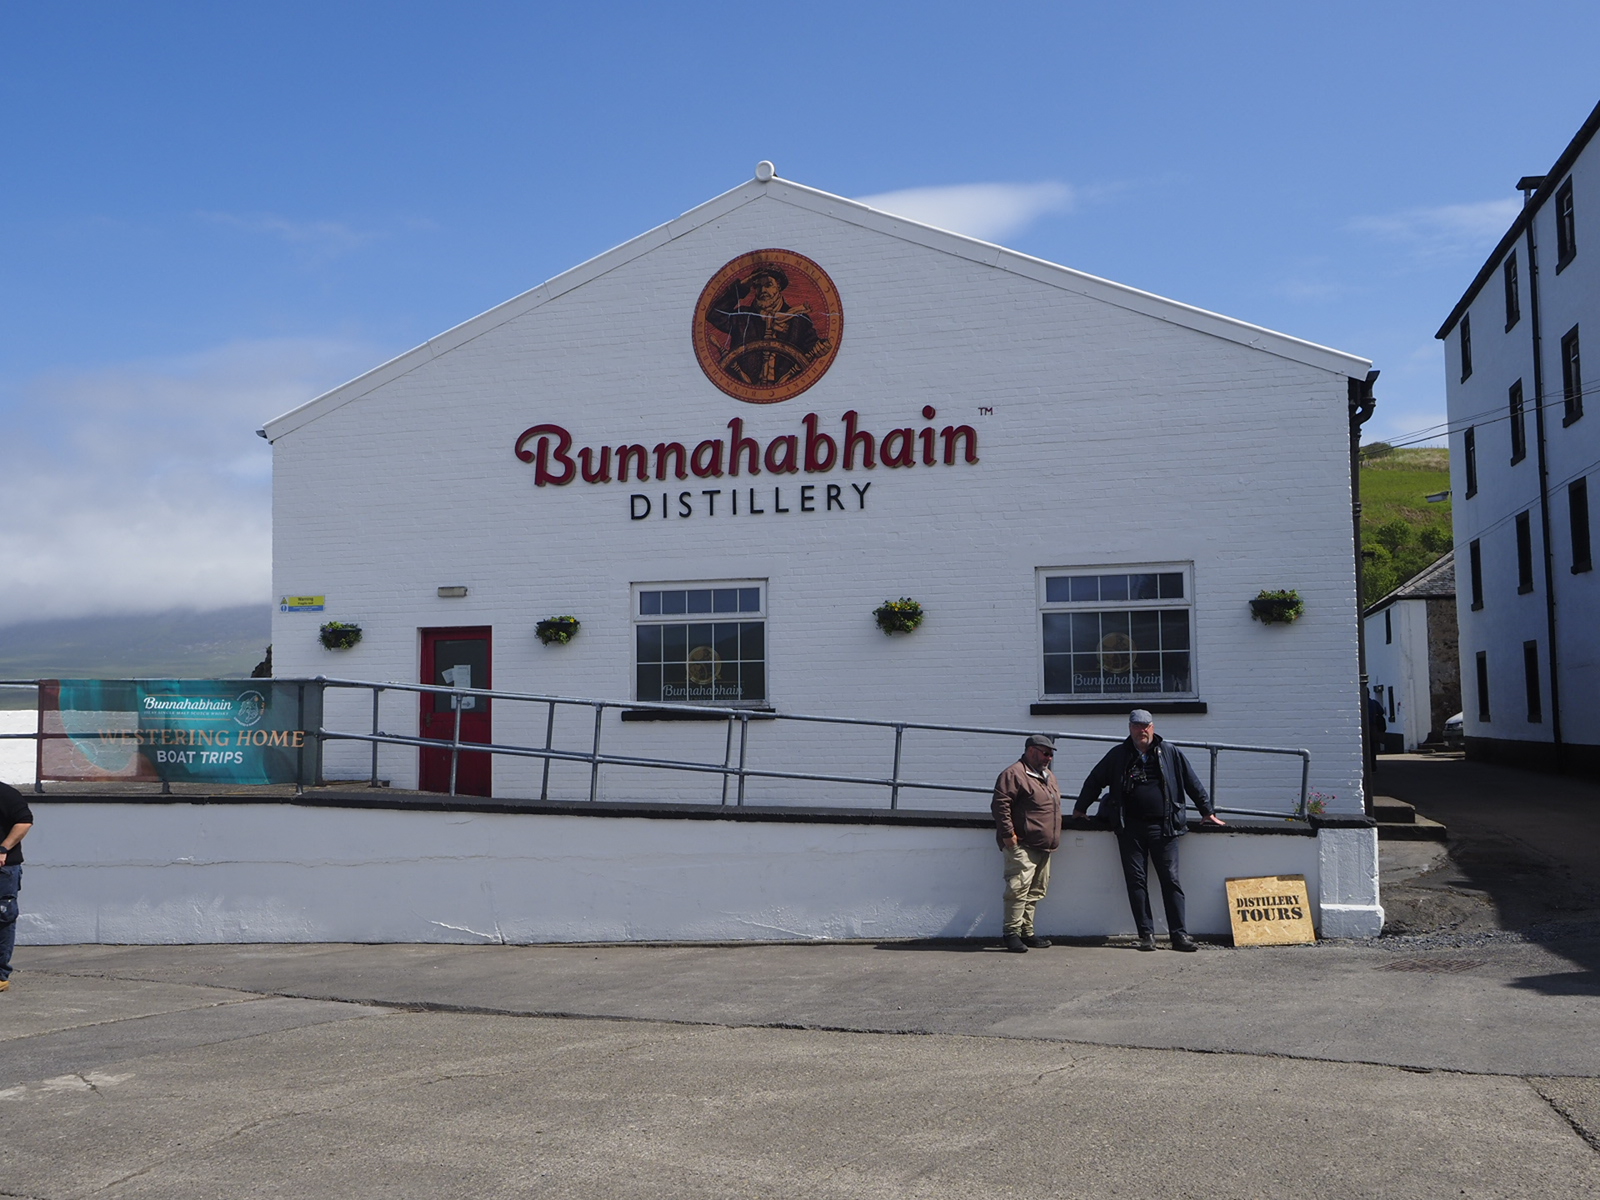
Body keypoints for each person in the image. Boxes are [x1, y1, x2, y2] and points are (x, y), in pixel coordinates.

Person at [1073, 710, 1224, 952]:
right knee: (1136, 882)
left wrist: (1207, 811)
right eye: (1136, 726)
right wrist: (1080, 809)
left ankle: (1179, 936)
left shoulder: (1170, 753)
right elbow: (1094, 780)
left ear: (1153, 727)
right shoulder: (1118, 755)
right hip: (1129, 828)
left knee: (1171, 881)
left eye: (1145, 726)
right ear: (1130, 728)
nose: (1141, 730)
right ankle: (1146, 935)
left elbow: (1191, 781)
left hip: (1165, 828)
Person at [991, 733, 1062, 953]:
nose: (1049, 757)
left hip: (1044, 846)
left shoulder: (1047, 775)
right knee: (1017, 889)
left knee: (1036, 891)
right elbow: (1000, 804)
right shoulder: (1014, 774)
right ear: (1031, 750)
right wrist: (1008, 835)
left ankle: (1026, 932)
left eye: (1050, 754)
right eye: (1045, 753)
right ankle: (1011, 933)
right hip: (1022, 844)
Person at [703, 266, 831, 388]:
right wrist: (741, 288)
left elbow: (814, 346)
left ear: (779, 286)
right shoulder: (742, 317)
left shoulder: (799, 321)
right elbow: (713, 314)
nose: (763, 290)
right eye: (758, 286)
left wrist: (822, 347)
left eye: (768, 285)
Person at [0, 780, 33, 992]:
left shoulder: (5, 793)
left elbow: (25, 821)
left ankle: (1, 975)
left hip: (4, 870)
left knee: (3, 919)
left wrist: (4, 847)